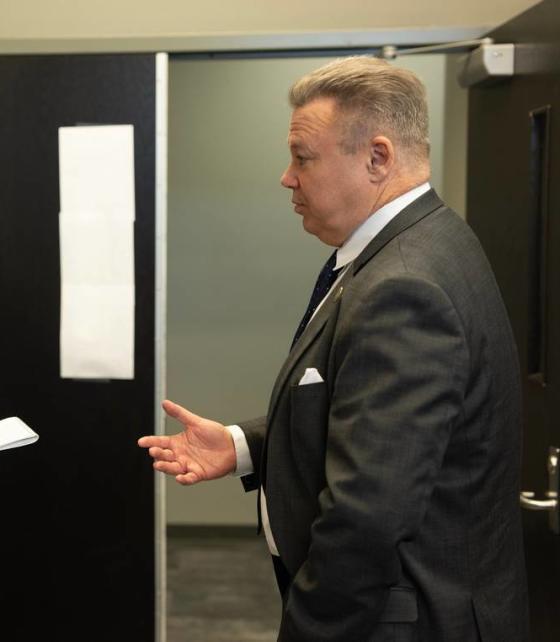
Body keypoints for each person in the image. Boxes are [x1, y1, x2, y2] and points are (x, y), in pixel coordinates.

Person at [139, 57, 529, 641]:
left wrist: (307, 629)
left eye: (303, 157)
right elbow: (378, 426)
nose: (287, 178)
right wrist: (246, 445)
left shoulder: (404, 285)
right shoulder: (429, 238)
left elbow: (367, 518)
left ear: (378, 157)